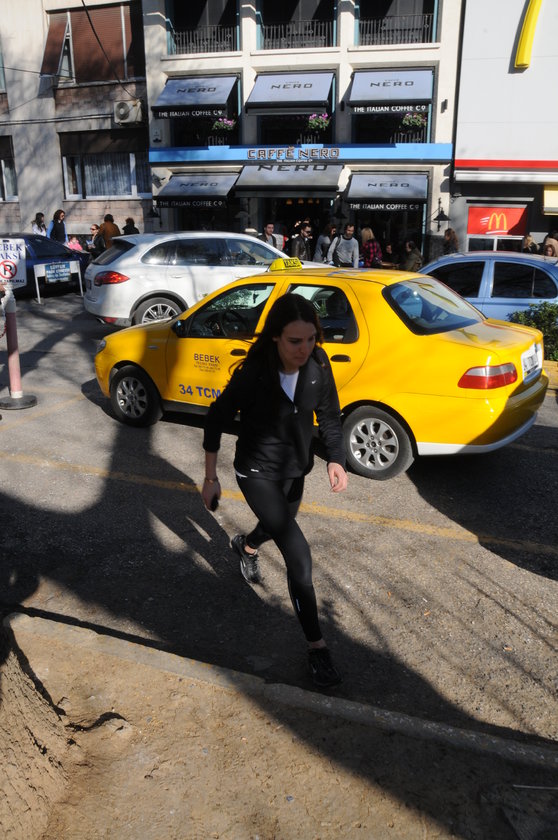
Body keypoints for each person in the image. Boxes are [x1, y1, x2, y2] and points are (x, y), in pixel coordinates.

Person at [201, 293, 348, 689]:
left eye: (311, 339)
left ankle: (246, 546)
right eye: (294, 341)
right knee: (298, 554)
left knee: (278, 524)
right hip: (256, 472)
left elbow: (330, 417)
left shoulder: (318, 365)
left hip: (294, 469)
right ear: (275, 338)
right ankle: (317, 648)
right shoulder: (255, 373)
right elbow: (216, 417)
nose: (304, 349)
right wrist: (210, 477)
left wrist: (336, 459)